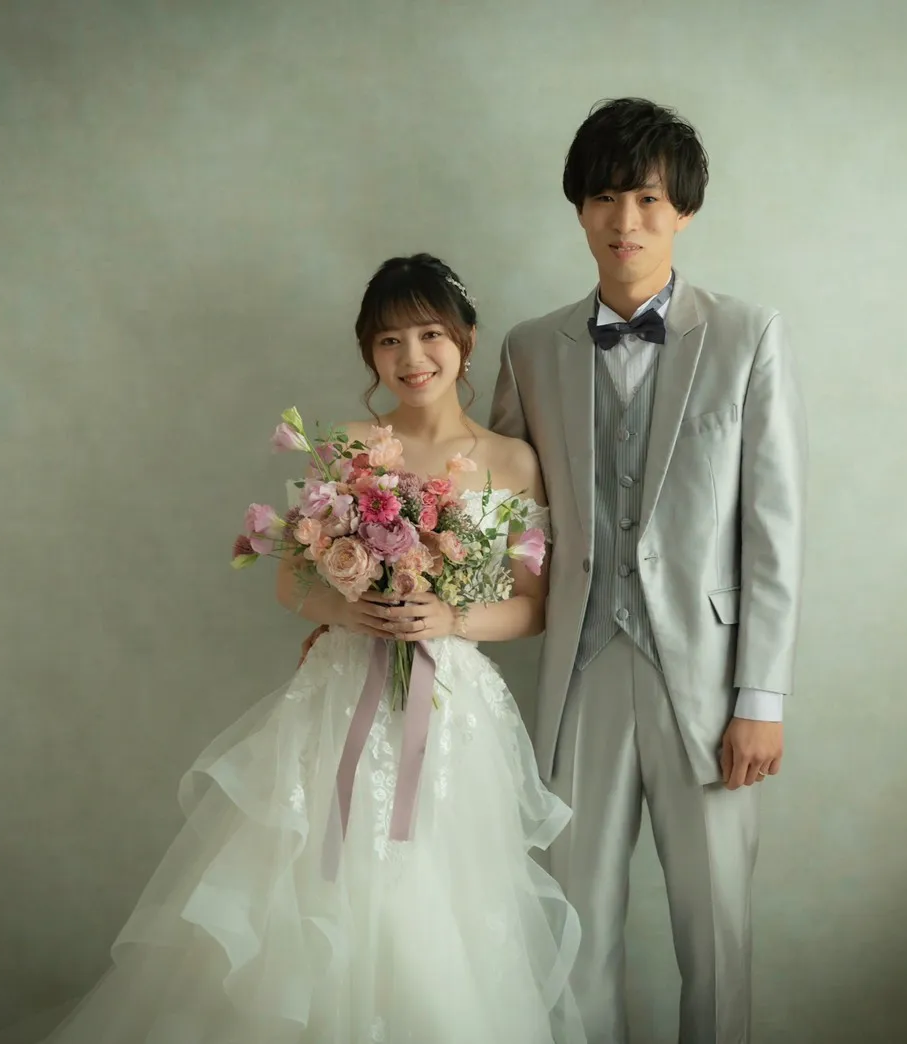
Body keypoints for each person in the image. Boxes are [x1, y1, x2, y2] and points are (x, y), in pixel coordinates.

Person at [35, 254, 585, 1044]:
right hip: (340, 693)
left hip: (453, 713)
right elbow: (292, 586)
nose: (413, 357)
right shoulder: (348, 446)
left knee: (442, 899)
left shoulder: (511, 460)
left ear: (466, 339)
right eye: (389, 341)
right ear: (369, 353)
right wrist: (355, 608)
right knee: (320, 881)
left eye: (430, 334)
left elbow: (532, 607)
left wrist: (447, 617)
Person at [488, 97, 808, 1043]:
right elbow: (499, 518)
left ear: (684, 212)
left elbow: (775, 528)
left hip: (708, 683)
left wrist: (762, 698)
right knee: (574, 933)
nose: (624, 221)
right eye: (604, 199)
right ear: (579, 210)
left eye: (647, 199)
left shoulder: (748, 334)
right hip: (580, 670)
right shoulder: (529, 349)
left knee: (717, 935)